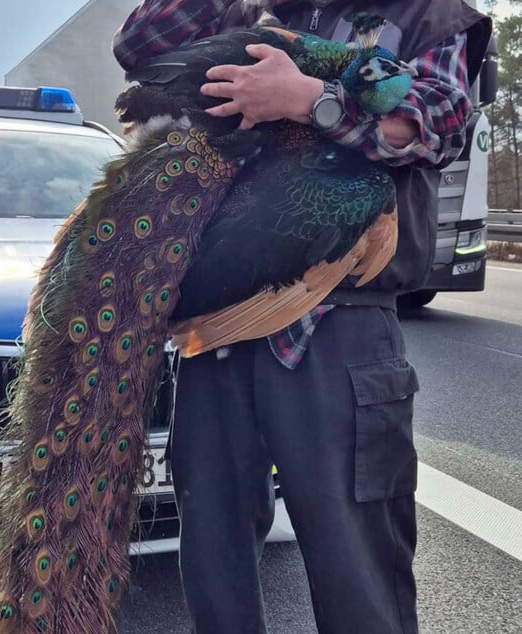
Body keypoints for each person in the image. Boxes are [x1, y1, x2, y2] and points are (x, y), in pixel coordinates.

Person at [112, 1, 492, 633]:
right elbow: (141, 43)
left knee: (358, 577)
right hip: (219, 324)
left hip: (336, 325)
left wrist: (307, 100)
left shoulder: (431, 14)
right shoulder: (251, 8)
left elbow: (440, 123)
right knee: (214, 561)